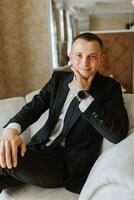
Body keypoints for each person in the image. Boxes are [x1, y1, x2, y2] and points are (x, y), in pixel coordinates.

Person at [0, 32, 129, 194]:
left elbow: (117, 134)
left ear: (101, 60)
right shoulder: (59, 79)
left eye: (92, 56)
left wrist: (83, 96)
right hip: (37, 150)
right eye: (79, 55)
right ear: (70, 57)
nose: (84, 62)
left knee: (3, 161)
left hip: (65, 164)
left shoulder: (110, 88)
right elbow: (35, 106)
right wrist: (11, 130)